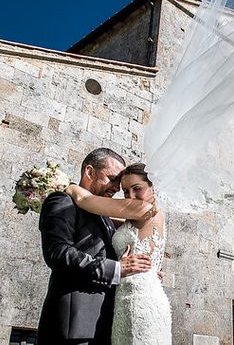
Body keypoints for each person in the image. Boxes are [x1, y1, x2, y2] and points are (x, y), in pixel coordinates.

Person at [37, 148, 153, 345]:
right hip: (74, 323)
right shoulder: (62, 201)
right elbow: (57, 252)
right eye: (112, 179)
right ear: (89, 172)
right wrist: (116, 269)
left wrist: (143, 271)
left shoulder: (105, 214)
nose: (116, 188)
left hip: (105, 324)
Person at [65, 162, 172, 345]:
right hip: (129, 292)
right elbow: (103, 216)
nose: (130, 196)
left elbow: (85, 201)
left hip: (140, 299)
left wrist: (67, 185)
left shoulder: (145, 210)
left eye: (137, 188)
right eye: (125, 191)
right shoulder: (136, 216)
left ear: (153, 187)